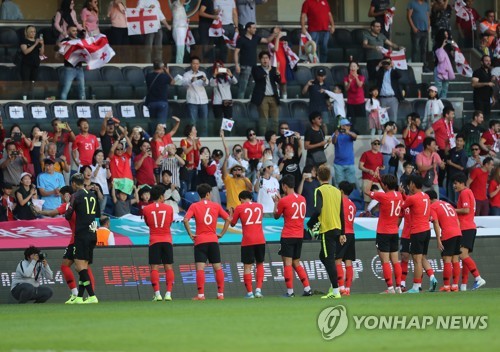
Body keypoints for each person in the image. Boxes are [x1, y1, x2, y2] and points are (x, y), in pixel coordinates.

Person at [183, 183, 230, 300]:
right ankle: (220, 294)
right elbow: (228, 219)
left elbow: (185, 220)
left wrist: (190, 234)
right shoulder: (216, 206)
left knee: (200, 268)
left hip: (200, 240)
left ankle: (201, 295)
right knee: (217, 267)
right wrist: (221, 234)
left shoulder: (194, 206)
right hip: (213, 240)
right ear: (208, 194)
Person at [306, 165, 343, 299]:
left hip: (327, 228)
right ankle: (335, 286)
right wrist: (343, 231)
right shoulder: (337, 191)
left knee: (329, 259)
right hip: (337, 228)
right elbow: (341, 212)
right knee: (324, 256)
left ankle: (336, 290)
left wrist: (310, 224)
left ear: (317, 177)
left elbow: (317, 210)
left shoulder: (319, 190)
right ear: (330, 177)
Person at [273, 174, 312, 297]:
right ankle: (307, 288)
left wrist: (276, 203)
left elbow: (276, 216)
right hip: (299, 235)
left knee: (287, 263)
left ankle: (290, 292)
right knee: (296, 262)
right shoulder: (302, 199)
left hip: (288, 235)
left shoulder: (284, 200)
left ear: (284, 186)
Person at [65, 173, 100, 304]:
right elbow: (97, 214)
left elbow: (68, 215)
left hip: (82, 234)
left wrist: (68, 205)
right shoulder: (92, 194)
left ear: (74, 183)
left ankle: (92, 296)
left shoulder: (76, 196)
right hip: (93, 232)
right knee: (83, 266)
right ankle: (79, 297)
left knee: (80, 267)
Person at [367, 174, 404, 293]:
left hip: (383, 232)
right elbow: (386, 188)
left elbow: (367, 191)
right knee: (395, 260)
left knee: (385, 261)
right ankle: (398, 286)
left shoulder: (383, 196)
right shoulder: (399, 195)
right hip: (394, 231)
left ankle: (390, 288)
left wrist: (373, 178)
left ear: (385, 185)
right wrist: (380, 179)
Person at [453, 173, 486, 291]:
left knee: (462, 255)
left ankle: (478, 278)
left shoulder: (465, 193)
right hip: (470, 227)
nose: (454, 186)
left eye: (456, 183)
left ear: (462, 183)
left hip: (466, 227)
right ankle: (464, 285)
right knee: (465, 256)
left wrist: (452, 210)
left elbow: (466, 210)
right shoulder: (469, 192)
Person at [230, 190, 266, 298]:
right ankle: (258, 290)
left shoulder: (240, 208)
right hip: (260, 239)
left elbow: (232, 223)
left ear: (241, 199)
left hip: (248, 240)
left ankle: (250, 293)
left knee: (247, 266)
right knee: (260, 264)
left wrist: (231, 214)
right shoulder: (260, 206)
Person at [143, 185, 175, 301]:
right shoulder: (169, 208)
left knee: (154, 268)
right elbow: (169, 222)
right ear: (161, 196)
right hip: (166, 240)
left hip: (154, 240)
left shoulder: (146, 209)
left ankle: (157, 294)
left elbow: (147, 223)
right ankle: (168, 294)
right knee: (168, 267)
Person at [401, 175, 432, 293]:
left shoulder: (413, 198)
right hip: (427, 230)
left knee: (417, 260)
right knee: (421, 258)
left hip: (417, 231)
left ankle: (416, 286)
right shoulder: (427, 196)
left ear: (413, 184)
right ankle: (419, 284)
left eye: (411, 183)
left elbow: (402, 207)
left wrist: (401, 194)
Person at [427, 190, 461, 292]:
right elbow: (457, 220)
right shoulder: (448, 204)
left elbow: (436, 223)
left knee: (447, 259)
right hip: (458, 232)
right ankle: (455, 285)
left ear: (429, 199)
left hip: (448, 233)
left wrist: (438, 239)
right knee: (455, 260)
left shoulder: (433, 207)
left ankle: (446, 286)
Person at [235, 22, 276, 99]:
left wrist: (274, 33)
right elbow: (236, 52)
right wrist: (237, 65)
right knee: (242, 87)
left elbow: (267, 40)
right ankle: (240, 104)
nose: (255, 29)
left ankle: (250, 103)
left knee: (252, 86)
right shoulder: (241, 39)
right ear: (248, 28)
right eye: (253, 28)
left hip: (254, 66)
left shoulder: (255, 37)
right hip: (245, 66)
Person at [251, 51, 281, 135]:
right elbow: (258, 77)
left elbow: (278, 81)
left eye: (267, 58)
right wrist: (268, 71)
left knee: (275, 121)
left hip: (273, 97)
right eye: (263, 58)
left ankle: (274, 138)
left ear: (269, 59)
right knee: (264, 120)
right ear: (260, 60)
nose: (265, 60)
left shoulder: (273, 69)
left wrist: (278, 74)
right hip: (262, 97)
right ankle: (263, 138)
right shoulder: (256, 69)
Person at [221, 131, 253, 210]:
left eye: (239, 169)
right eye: (235, 170)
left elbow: (251, 188)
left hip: (242, 208)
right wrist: (222, 137)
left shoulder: (245, 164)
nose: (237, 171)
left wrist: (243, 178)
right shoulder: (229, 179)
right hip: (232, 209)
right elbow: (224, 171)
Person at [335, 181, 356, 295]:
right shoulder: (352, 204)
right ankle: (348, 289)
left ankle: (341, 287)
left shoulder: (339, 202)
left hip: (342, 233)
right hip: (351, 233)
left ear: (341, 191)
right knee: (348, 262)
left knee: (337, 260)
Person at [183, 57, 210, 136]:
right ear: (191, 64)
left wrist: (205, 80)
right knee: (192, 122)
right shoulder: (186, 74)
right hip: (192, 100)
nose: (195, 65)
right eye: (194, 63)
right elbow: (183, 83)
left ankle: (204, 138)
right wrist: (191, 80)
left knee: (204, 122)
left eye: (197, 64)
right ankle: (192, 138)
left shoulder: (202, 73)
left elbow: (207, 84)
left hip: (203, 100)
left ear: (199, 65)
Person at [58, 25, 86, 100]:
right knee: (65, 89)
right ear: (68, 31)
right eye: (73, 31)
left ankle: (83, 106)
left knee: (82, 89)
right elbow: (60, 53)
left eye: (76, 31)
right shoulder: (64, 41)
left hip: (80, 68)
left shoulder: (80, 41)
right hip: (69, 68)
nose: (75, 32)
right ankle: (63, 107)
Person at [145, 61, 174, 131]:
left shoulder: (148, 76)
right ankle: (159, 140)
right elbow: (173, 82)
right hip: (162, 102)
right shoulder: (164, 76)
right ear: (163, 68)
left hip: (151, 102)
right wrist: (167, 72)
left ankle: (152, 137)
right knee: (161, 124)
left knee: (153, 123)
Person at [376, 58, 403, 122]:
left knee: (393, 119)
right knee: (383, 120)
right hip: (382, 98)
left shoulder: (394, 71)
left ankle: (393, 131)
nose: (386, 64)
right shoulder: (380, 71)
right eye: (385, 63)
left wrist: (393, 66)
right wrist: (378, 66)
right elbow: (373, 76)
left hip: (392, 98)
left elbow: (399, 75)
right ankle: (384, 132)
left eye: (388, 62)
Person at [359, 139, 383, 210]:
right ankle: (366, 215)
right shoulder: (366, 154)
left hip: (377, 180)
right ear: (371, 144)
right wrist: (368, 170)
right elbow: (360, 166)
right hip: (367, 178)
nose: (377, 145)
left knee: (378, 200)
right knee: (367, 200)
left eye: (378, 143)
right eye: (375, 143)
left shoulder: (380, 155)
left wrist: (381, 168)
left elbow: (380, 166)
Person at [407, 0, 430, 71]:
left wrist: (429, 27)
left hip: (425, 30)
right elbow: (409, 16)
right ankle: (414, 67)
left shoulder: (426, 4)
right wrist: (413, 27)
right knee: (415, 49)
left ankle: (424, 67)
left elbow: (428, 16)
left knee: (424, 49)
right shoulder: (412, 3)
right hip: (416, 30)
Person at [333, 118, 357, 186]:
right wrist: (336, 135)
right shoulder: (336, 134)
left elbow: (355, 137)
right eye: (347, 125)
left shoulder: (350, 134)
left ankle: (351, 196)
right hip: (338, 164)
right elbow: (333, 142)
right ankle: (340, 196)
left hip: (350, 163)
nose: (349, 127)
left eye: (349, 125)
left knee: (351, 183)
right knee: (339, 184)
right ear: (342, 126)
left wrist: (348, 132)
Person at [433, 29, 455, 99]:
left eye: (447, 34)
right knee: (438, 87)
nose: (446, 36)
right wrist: (442, 45)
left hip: (447, 69)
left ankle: (443, 102)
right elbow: (440, 59)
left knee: (445, 88)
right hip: (439, 69)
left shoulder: (449, 46)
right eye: (445, 34)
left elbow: (453, 55)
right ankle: (436, 100)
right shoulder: (436, 46)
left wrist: (455, 47)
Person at [445, 135, 467, 204]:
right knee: (450, 198)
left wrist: (451, 164)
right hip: (450, 177)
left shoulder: (463, 153)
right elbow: (447, 154)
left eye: (461, 141)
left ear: (464, 143)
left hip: (458, 180)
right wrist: (446, 144)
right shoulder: (453, 150)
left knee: (456, 199)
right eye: (457, 141)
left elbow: (462, 167)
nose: (459, 143)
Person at [180, 124, 201, 191]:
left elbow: (200, 150)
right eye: (194, 129)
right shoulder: (184, 141)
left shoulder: (197, 141)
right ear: (190, 132)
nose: (196, 131)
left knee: (194, 186)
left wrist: (195, 143)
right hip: (187, 167)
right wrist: (193, 144)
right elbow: (185, 151)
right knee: (187, 186)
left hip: (195, 167)